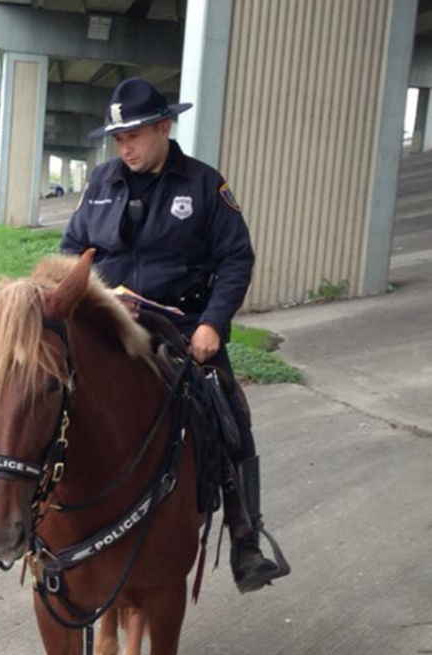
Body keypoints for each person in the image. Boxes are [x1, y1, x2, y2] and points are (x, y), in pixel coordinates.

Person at [61, 77, 289, 594]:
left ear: (165, 127)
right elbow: (71, 251)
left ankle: (245, 536)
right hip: (108, 327)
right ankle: (37, 520)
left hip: (183, 329)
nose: (126, 147)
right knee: (47, 397)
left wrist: (212, 323)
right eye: (118, 139)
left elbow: (236, 259)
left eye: (135, 135)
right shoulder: (100, 183)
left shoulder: (206, 185)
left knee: (230, 412)